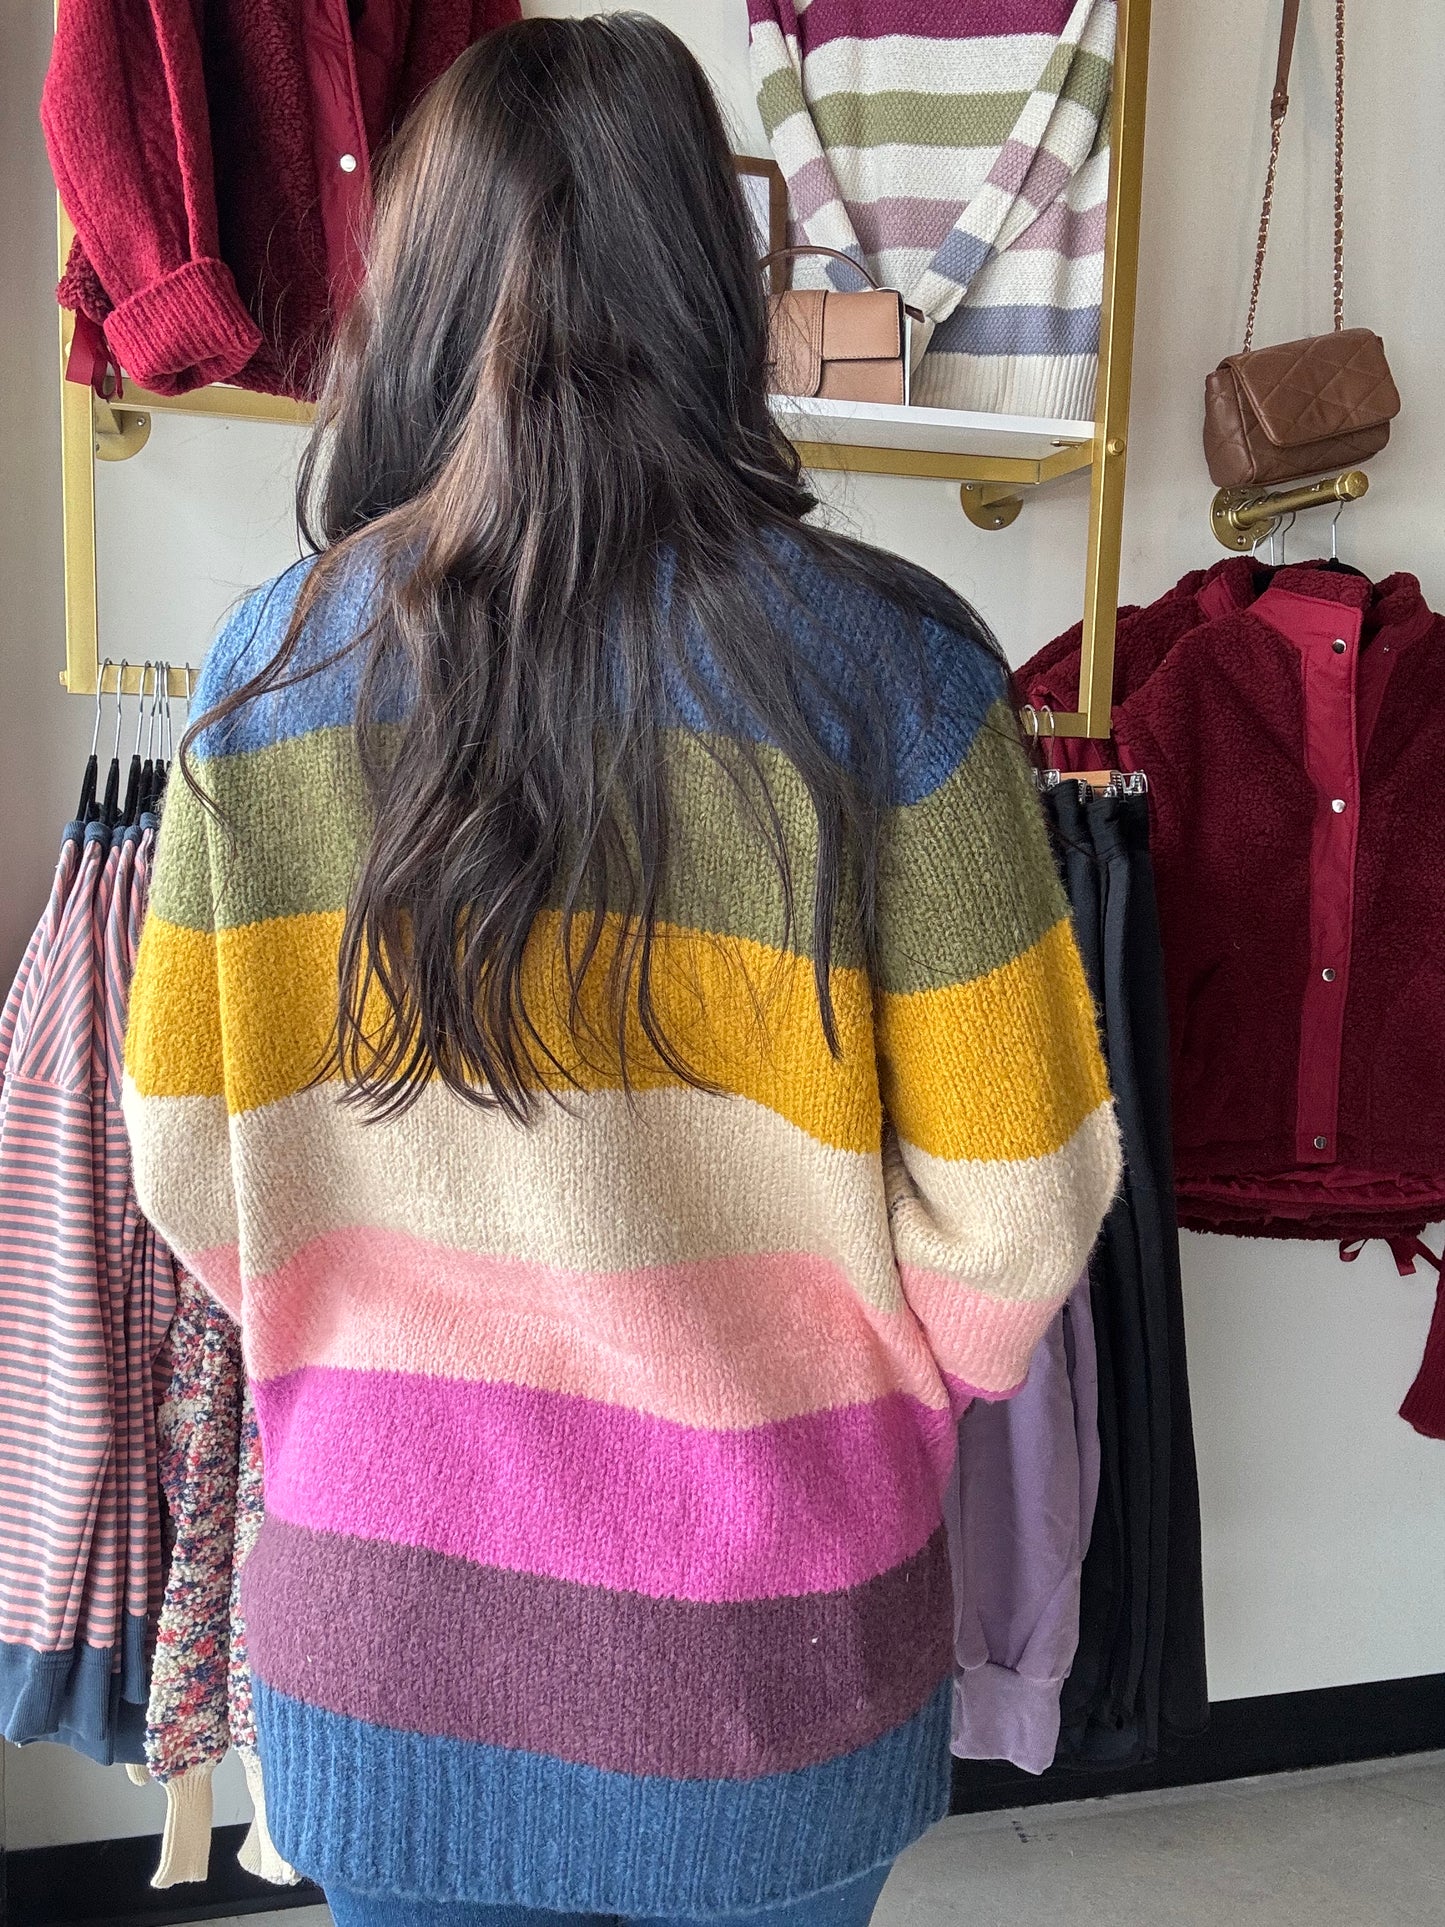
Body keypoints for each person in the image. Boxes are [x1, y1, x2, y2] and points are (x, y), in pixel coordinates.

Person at [123, 15, 1119, 1926]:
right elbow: (1024, 1198)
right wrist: (854, 1406)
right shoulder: (897, 675)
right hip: (773, 1644)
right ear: (714, 276)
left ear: (413, 288)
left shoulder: (268, 676)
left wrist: (376, 1333)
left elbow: (188, 1162)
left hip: (385, 1633)